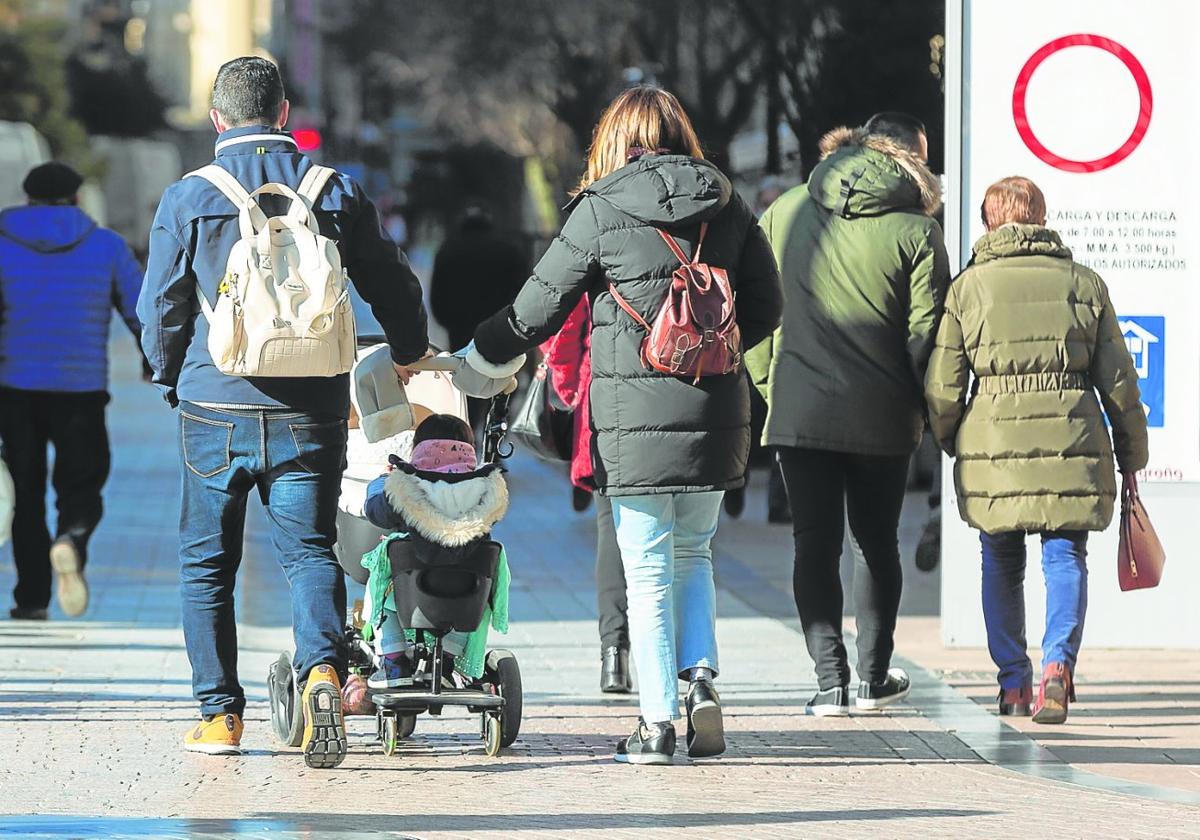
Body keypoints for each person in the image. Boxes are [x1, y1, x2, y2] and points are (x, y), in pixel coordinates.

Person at [474, 86, 782, 764]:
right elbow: (768, 302)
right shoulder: (727, 202)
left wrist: (480, 352)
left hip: (630, 420)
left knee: (645, 571)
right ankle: (700, 680)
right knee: (694, 556)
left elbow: (536, 309)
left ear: (614, 140)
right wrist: (711, 348)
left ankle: (656, 723)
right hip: (717, 410)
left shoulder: (602, 207)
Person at [138, 56, 428, 766]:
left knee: (207, 563)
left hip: (213, 403)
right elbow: (390, 280)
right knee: (308, 550)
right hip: (313, 408)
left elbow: (161, 309)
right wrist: (410, 351)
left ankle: (219, 718)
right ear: (285, 112)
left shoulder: (188, 197)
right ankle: (323, 671)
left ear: (216, 119)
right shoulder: (335, 190)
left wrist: (170, 377)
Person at [746, 112, 950, 717]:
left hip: (799, 408)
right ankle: (872, 676)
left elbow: (751, 313)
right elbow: (926, 334)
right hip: (883, 414)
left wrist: (770, 384)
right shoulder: (916, 231)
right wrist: (924, 405)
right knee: (876, 544)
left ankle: (828, 682)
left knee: (813, 544)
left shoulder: (783, 213)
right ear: (910, 156)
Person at [925, 176, 1148, 724]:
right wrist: (1132, 454)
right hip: (1072, 438)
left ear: (988, 222)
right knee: (1065, 556)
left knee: (1000, 561)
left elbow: (943, 385)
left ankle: (1013, 685)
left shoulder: (967, 289)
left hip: (993, 442)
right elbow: (1119, 381)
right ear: (1042, 217)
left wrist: (952, 438)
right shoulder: (1084, 284)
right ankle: (1056, 669)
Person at [0, 162, 144, 621]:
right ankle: (72, 538)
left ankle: (31, 597)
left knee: (24, 491)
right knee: (82, 481)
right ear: (78, 199)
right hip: (80, 387)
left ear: (27, 199)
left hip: (14, 389)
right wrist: (154, 361)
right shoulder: (105, 245)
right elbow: (142, 311)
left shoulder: (2, 241)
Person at [361, 413, 509, 687]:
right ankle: (449, 659)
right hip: (467, 593)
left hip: (409, 593)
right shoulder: (486, 490)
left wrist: (382, 482)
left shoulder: (406, 488)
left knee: (382, 590)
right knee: (479, 595)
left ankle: (394, 662)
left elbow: (375, 512)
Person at [540, 297, 631, 693]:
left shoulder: (597, 232)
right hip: (690, 394)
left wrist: (571, 386)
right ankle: (694, 671)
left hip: (609, 399)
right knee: (689, 549)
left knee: (612, 533)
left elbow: (560, 320)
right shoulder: (707, 233)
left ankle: (614, 657)